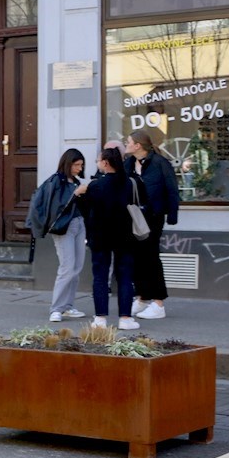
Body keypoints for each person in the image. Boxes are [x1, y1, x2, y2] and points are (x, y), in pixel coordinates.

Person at [79, 147, 140, 330]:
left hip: (100, 236)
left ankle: (100, 319)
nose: (97, 163)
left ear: (105, 163)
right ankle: (125, 318)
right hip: (125, 235)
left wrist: (79, 195)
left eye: (98, 160)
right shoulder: (130, 182)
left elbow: (86, 211)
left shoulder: (96, 185)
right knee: (125, 277)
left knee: (100, 277)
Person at [24, 148, 87, 323]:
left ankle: (68, 306)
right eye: (76, 165)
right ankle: (57, 308)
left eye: (81, 165)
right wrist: (76, 194)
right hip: (62, 228)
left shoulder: (75, 182)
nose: (79, 168)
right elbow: (55, 207)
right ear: (68, 164)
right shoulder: (56, 181)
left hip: (78, 225)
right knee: (67, 267)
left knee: (76, 267)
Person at [127, 127, 179, 320]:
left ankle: (158, 302)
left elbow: (172, 189)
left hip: (154, 216)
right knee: (136, 258)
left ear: (138, 145)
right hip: (134, 217)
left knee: (151, 257)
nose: (126, 144)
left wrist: (172, 215)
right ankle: (142, 297)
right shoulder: (129, 163)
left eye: (128, 142)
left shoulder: (159, 163)